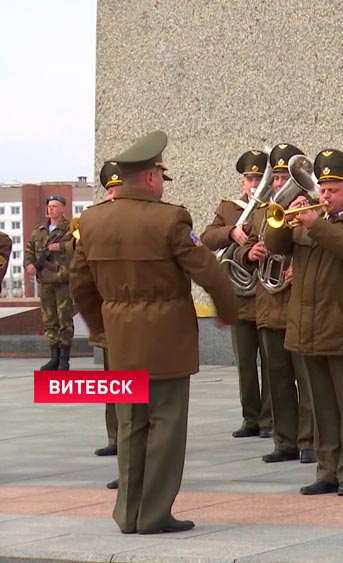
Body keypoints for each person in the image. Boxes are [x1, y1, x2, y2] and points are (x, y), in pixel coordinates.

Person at [69, 130, 238, 534]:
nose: (163, 183)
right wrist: (228, 311)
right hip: (166, 341)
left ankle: (127, 513)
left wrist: (101, 328)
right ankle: (155, 513)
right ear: (149, 177)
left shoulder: (91, 221)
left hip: (120, 342)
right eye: (161, 175)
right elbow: (209, 271)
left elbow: (80, 283)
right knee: (166, 425)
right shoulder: (170, 218)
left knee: (130, 426)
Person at [264, 149, 343, 496]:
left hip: (342, 325)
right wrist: (283, 217)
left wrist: (317, 226)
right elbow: (275, 245)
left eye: (332, 189)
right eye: (323, 189)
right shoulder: (307, 218)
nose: (325, 195)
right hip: (306, 326)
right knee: (321, 406)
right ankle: (327, 469)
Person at [237, 143, 315, 463]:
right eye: (278, 178)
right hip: (268, 304)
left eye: (285, 177)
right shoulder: (261, 210)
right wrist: (248, 252)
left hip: (297, 305)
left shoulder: (309, 208)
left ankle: (310, 439)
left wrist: (303, 267)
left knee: (307, 380)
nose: (281, 184)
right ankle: (285, 441)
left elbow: (317, 248)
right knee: (278, 379)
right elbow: (249, 246)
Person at [201, 150, 272, 440]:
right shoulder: (229, 208)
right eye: (249, 178)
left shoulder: (272, 207)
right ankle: (250, 417)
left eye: (258, 177)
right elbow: (206, 238)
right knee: (245, 363)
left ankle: (270, 417)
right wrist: (231, 232)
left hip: (267, 294)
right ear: (242, 182)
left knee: (271, 363)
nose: (253, 183)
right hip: (241, 296)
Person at [91, 162, 122, 468]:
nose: (114, 194)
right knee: (111, 380)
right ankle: (114, 437)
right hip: (106, 311)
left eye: (118, 188)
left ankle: (130, 442)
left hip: (131, 315)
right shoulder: (94, 220)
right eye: (110, 189)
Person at [24, 193, 75, 370]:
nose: (51, 209)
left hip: (62, 280)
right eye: (49, 206)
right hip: (45, 280)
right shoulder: (39, 230)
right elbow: (29, 249)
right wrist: (29, 264)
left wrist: (62, 246)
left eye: (54, 206)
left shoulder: (70, 229)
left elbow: (79, 247)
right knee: (49, 319)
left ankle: (64, 360)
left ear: (62, 208)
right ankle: (54, 357)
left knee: (64, 320)